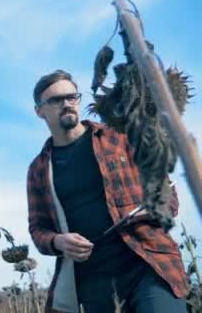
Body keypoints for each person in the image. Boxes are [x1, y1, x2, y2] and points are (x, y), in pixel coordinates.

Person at [26, 70, 189, 312]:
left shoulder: (120, 137)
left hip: (148, 263)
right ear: (40, 111)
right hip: (94, 282)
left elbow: (166, 192)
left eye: (72, 97)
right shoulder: (39, 169)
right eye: (56, 100)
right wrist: (58, 241)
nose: (67, 104)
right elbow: (38, 229)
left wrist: (156, 206)